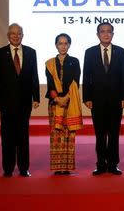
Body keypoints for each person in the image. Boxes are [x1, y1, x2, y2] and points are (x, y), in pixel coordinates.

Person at [0, 23, 40, 177]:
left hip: (25, 102)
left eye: (19, 33)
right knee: (7, 137)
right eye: (13, 33)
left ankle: (24, 168)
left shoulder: (31, 52)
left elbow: (34, 76)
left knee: (23, 136)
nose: (16, 36)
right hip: (6, 103)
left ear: (22, 35)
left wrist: (36, 97)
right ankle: (8, 168)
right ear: (8, 35)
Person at [83, 22, 124, 175]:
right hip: (97, 100)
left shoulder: (121, 52)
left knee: (114, 134)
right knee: (100, 134)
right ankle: (101, 164)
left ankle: (113, 164)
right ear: (98, 34)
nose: (106, 34)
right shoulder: (89, 52)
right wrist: (87, 97)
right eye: (102, 31)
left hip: (116, 100)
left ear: (113, 34)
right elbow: (87, 76)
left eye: (109, 31)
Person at [45, 33, 83, 175]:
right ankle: (57, 167)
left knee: (68, 135)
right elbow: (50, 85)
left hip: (70, 102)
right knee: (56, 135)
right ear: (56, 45)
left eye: (66, 43)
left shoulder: (74, 61)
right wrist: (57, 99)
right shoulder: (49, 63)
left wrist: (66, 98)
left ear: (69, 45)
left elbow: (75, 82)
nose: (63, 46)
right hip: (55, 104)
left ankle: (66, 167)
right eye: (60, 43)